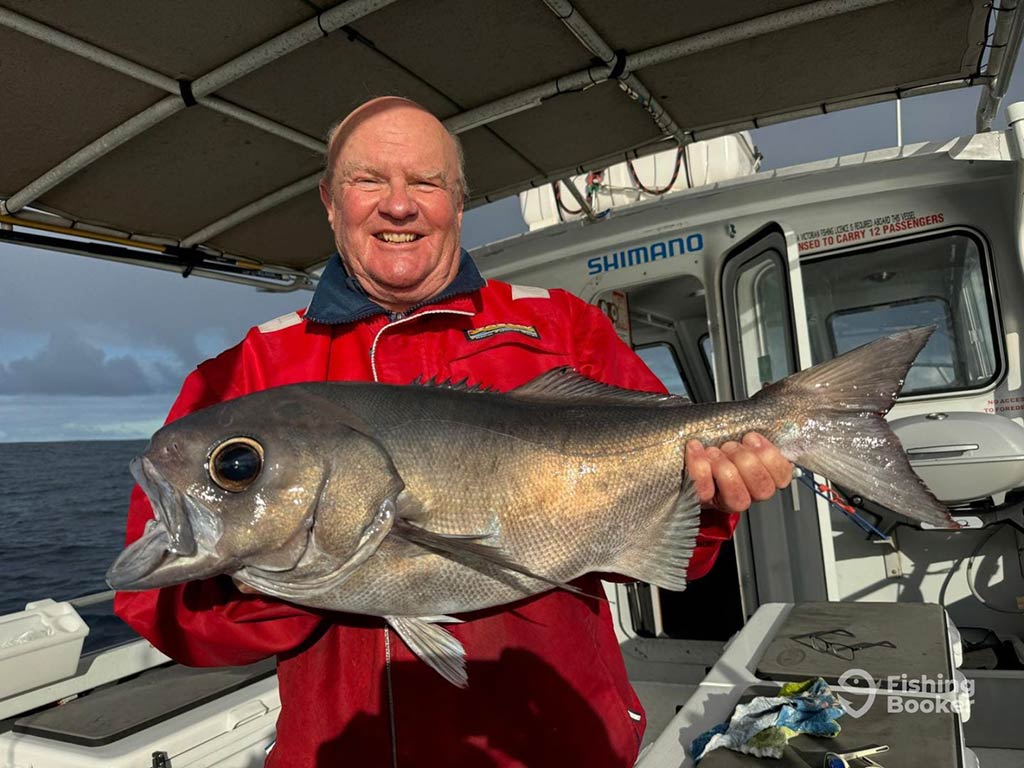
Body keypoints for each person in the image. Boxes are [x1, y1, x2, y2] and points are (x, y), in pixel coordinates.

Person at [115, 97, 794, 768]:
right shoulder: (254, 368)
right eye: (368, 180)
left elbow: (684, 548)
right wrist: (268, 572)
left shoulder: (561, 326)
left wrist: (713, 502)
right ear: (329, 201)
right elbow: (160, 609)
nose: (399, 205)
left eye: (426, 182)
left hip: (557, 751)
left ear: (459, 203)